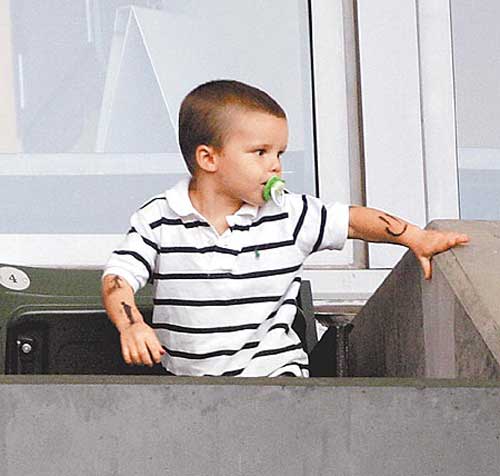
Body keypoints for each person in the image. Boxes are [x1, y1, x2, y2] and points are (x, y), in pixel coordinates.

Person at [101, 79, 469, 377]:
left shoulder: (288, 213)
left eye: (280, 153)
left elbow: (353, 220)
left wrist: (415, 238)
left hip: (277, 378)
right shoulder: (159, 219)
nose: (275, 165)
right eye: (260, 152)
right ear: (208, 158)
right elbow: (118, 278)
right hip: (190, 385)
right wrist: (131, 325)